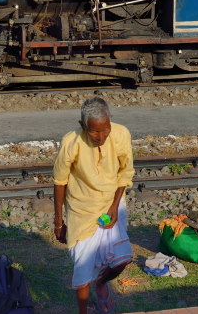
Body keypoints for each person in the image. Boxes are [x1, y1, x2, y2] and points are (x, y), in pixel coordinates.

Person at [53, 97, 134, 314]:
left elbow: (125, 173)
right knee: (83, 269)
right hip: (82, 211)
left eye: (105, 129)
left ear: (110, 121)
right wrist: (59, 222)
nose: (101, 136)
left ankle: (101, 282)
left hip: (111, 206)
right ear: (82, 125)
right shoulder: (71, 141)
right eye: (95, 132)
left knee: (122, 259)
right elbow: (60, 182)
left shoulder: (121, 134)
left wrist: (114, 207)